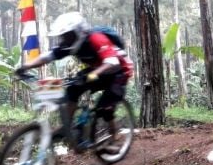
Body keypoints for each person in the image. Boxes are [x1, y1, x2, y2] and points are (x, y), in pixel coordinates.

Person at [16, 12, 133, 153]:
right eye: (63, 36)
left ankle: (114, 138)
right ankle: (67, 127)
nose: (65, 40)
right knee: (72, 89)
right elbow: (47, 57)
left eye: (68, 35)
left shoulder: (96, 39)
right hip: (97, 70)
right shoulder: (69, 46)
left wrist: (92, 75)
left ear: (79, 32)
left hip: (119, 71)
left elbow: (112, 62)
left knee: (105, 108)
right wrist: (25, 67)